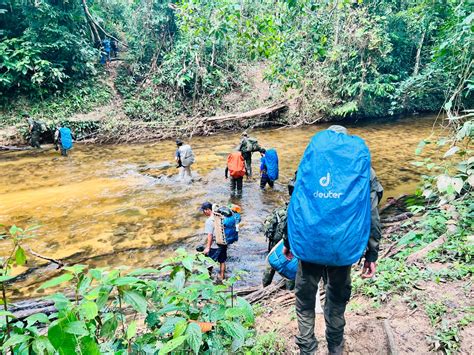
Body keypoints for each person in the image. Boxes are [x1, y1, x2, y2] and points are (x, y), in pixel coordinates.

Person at [283, 125, 383, 355]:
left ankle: (307, 349)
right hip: (343, 245)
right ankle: (335, 349)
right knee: (336, 302)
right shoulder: (361, 168)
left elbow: (296, 207)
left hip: (310, 245)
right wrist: (371, 254)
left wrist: (289, 242)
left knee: (305, 301)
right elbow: (371, 214)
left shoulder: (309, 164)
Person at [262, 175, 296, 289]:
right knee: (291, 267)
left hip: (275, 243)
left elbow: (267, 226)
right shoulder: (297, 212)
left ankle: (264, 287)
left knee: (270, 265)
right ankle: (289, 291)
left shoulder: (278, 211)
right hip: (288, 243)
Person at [200, 202, 227, 280]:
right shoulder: (220, 216)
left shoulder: (209, 221)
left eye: (204, 210)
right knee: (222, 260)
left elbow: (210, 235)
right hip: (223, 241)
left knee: (209, 262)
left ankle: (208, 278)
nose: (203, 212)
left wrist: (208, 247)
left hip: (215, 245)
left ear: (208, 210)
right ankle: (222, 276)